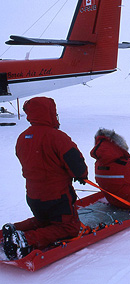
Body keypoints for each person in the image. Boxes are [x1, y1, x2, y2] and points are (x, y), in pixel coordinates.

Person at [2, 97, 88, 261]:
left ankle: (14, 229)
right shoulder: (57, 137)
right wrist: (81, 175)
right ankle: (24, 240)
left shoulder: (22, 138)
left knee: (44, 221)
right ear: (49, 114)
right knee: (69, 228)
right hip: (57, 197)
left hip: (34, 196)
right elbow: (76, 163)